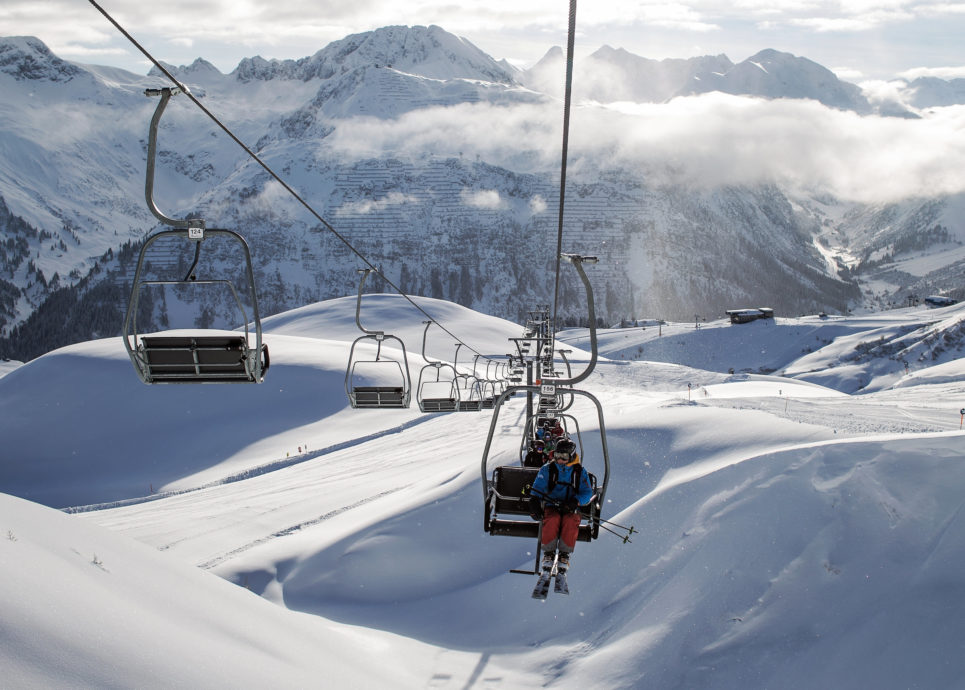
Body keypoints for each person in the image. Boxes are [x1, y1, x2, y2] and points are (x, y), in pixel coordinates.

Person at [528, 438, 594, 574]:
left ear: (571, 456)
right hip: (552, 504)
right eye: (557, 456)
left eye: (564, 457)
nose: (560, 460)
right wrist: (534, 501)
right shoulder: (548, 469)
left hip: (570, 506)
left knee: (571, 520)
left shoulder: (579, 472)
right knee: (552, 518)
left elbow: (587, 492)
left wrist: (576, 501)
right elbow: (537, 488)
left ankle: (564, 555)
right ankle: (549, 553)